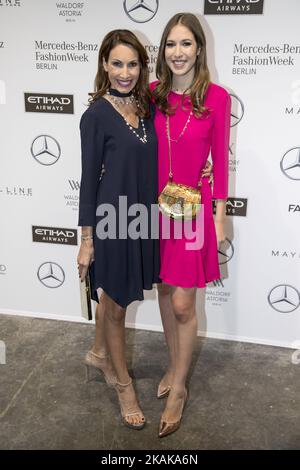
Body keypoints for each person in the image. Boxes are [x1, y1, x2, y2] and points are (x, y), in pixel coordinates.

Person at [150, 12, 231, 437]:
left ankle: (179, 387)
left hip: (192, 210)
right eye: (170, 44)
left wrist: (220, 217)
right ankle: (172, 362)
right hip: (151, 209)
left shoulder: (216, 98)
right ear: (162, 51)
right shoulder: (151, 94)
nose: (178, 53)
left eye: (186, 43)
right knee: (164, 290)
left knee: (184, 304)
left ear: (199, 48)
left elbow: (220, 159)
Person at [77, 29, 161, 429]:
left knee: (114, 299)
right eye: (117, 64)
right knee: (115, 305)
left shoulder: (148, 108)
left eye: (132, 64)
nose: (125, 72)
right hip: (112, 221)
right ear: (104, 66)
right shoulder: (94, 116)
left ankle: (98, 354)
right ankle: (123, 384)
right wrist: (86, 241)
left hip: (144, 218)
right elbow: (88, 179)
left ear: (141, 66)